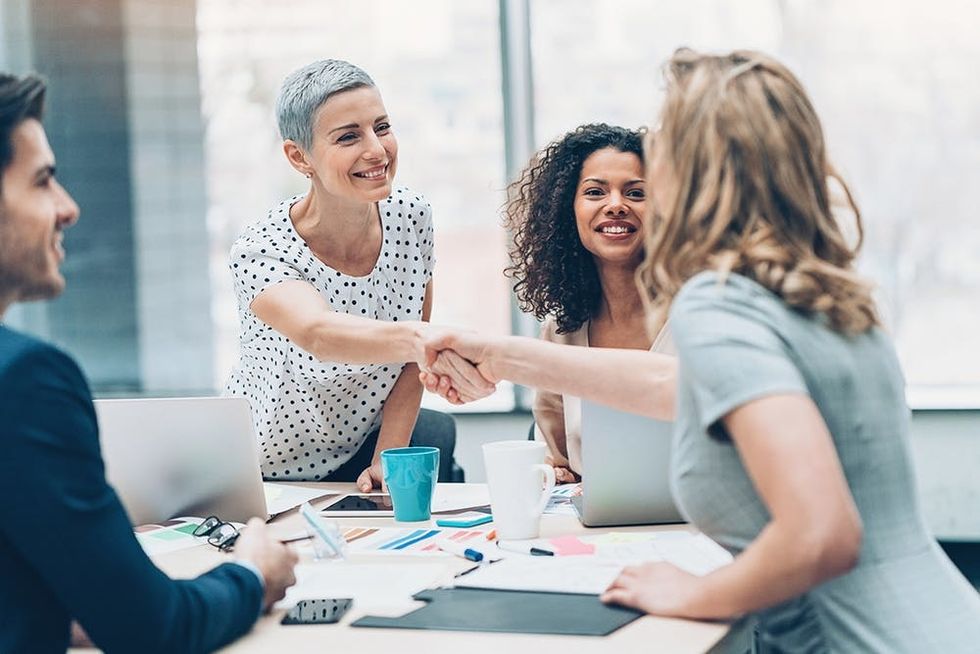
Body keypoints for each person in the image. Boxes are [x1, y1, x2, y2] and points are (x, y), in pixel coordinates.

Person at [425, 49, 980, 651]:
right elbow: (672, 385)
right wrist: (500, 355)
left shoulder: (719, 305)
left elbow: (823, 533)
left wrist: (695, 592)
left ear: (698, 166)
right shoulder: (822, 292)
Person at [0, 73, 298, 654]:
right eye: (41, 181)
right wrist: (252, 574)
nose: (68, 208)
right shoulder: (26, 382)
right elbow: (157, 629)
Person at [224, 59, 490, 490]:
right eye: (349, 136)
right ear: (299, 157)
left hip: (362, 448)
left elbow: (411, 360)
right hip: (265, 471)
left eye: (381, 127)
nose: (377, 150)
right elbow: (319, 333)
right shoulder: (261, 250)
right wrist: (428, 341)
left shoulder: (412, 217)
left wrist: (389, 456)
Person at [503, 123, 674, 482]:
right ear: (569, 209)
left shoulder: (697, 316)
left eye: (636, 193)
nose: (616, 206)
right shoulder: (563, 330)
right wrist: (555, 472)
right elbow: (556, 459)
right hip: (596, 512)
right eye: (595, 192)